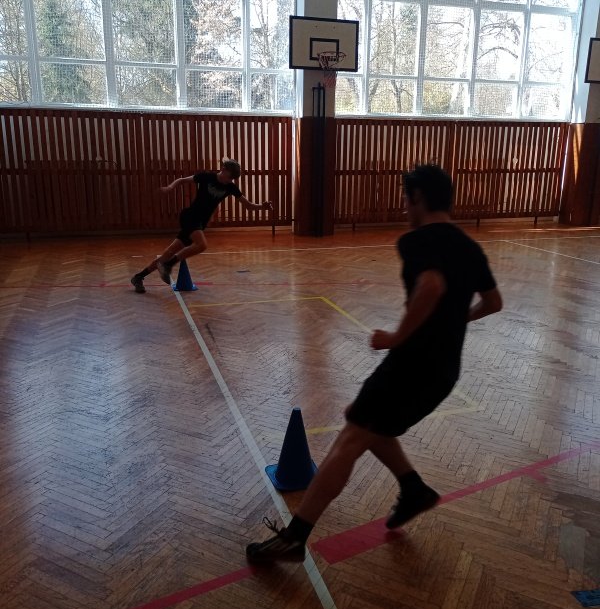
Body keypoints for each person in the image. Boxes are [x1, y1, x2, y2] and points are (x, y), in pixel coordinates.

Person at [246, 164, 503, 564]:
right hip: (444, 372)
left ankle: (295, 538)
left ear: (418, 197)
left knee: (351, 438)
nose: (404, 207)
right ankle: (413, 489)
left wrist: (397, 337)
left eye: (406, 199)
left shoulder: (417, 240)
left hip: (412, 364)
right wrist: (455, 321)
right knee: (362, 419)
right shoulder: (471, 248)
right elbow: (493, 302)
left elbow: (431, 285)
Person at [131, 159, 272, 292]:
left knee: (169, 252)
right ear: (223, 169)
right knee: (202, 245)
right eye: (229, 177)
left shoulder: (230, 187)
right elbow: (181, 180)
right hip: (190, 217)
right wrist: (170, 187)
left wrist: (262, 207)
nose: (230, 181)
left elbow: (248, 206)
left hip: (199, 223)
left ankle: (138, 277)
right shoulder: (206, 177)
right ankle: (168, 265)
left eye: (232, 179)